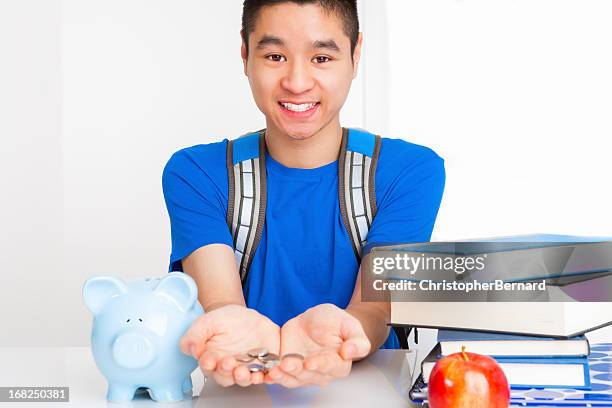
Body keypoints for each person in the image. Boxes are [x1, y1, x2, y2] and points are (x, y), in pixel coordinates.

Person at [162, 0, 445, 388]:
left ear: (355, 54)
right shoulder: (197, 174)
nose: (297, 82)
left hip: (370, 391)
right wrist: (235, 335)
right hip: (244, 392)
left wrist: (346, 335)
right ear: (245, 55)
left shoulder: (408, 171)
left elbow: (375, 308)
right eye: (275, 55)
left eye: (322, 57)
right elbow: (220, 301)